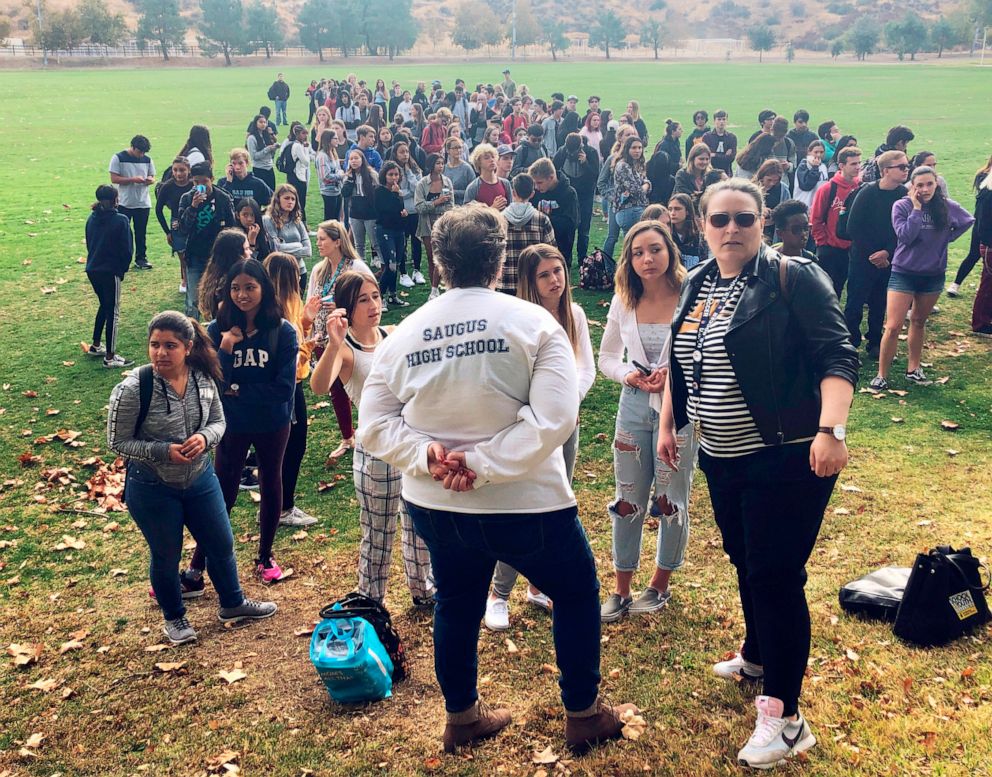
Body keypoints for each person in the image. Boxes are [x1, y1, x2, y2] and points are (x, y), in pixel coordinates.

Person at [358, 204, 638, 756]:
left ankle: (461, 718)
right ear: (500, 258)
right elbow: (556, 418)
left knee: (457, 603)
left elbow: (375, 425)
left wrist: (431, 457)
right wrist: (482, 465)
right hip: (528, 501)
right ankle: (582, 712)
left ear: (438, 263)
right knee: (577, 593)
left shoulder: (405, 332)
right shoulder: (533, 323)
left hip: (437, 500)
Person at [660, 178, 858, 769]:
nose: (731, 229)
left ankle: (786, 719)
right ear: (702, 225)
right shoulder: (697, 283)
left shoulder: (792, 278)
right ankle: (757, 655)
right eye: (719, 220)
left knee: (774, 576)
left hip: (787, 454)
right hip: (721, 457)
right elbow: (679, 358)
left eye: (743, 219)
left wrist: (831, 431)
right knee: (746, 560)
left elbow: (836, 354)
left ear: (762, 221)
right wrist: (671, 424)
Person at [108, 311, 278, 645]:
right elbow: (116, 441)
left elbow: (219, 421)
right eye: (154, 345)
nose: (160, 353)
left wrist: (205, 438)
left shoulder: (203, 378)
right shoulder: (132, 388)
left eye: (170, 345)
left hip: (200, 478)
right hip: (152, 485)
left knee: (221, 543)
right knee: (166, 554)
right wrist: (161, 451)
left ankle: (233, 602)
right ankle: (175, 618)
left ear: (187, 347)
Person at [484, 243, 595, 631]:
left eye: (559, 271)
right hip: (526, 428)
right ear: (530, 281)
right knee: (520, 508)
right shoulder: (519, 319)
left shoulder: (574, 315)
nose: (555, 280)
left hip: (565, 426)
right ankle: (498, 593)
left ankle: (538, 585)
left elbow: (585, 368)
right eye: (545, 274)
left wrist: (566, 405)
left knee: (554, 507)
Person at [309, 271, 433, 606]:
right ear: (348, 307)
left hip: (408, 444)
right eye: (364, 299)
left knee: (418, 524)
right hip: (375, 452)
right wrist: (334, 343)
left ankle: (423, 591)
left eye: (376, 296)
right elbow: (318, 386)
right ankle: (371, 602)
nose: (374, 305)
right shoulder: (347, 351)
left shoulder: (391, 335)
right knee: (378, 534)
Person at [598, 219, 697, 623]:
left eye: (655, 249)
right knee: (627, 499)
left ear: (669, 250)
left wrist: (672, 377)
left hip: (680, 409)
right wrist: (629, 375)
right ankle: (621, 587)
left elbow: (703, 354)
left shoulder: (690, 294)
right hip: (634, 405)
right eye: (637, 253)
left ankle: (659, 584)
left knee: (671, 498)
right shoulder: (624, 299)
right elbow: (606, 357)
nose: (647, 259)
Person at [182, 259, 298, 591]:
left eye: (250, 287)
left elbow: (282, 390)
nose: (242, 295)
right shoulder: (218, 331)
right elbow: (215, 384)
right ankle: (197, 566)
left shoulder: (283, 331)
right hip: (231, 424)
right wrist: (227, 349)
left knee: (270, 482)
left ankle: (265, 556)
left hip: (273, 423)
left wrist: (235, 390)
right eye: (236, 288)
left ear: (264, 289)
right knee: (222, 490)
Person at [871, 167, 974, 391]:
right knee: (893, 325)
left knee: (918, 321)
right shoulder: (902, 206)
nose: (925, 189)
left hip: (933, 275)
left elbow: (967, 220)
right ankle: (881, 375)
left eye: (929, 184)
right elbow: (906, 237)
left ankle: (913, 369)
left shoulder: (946, 206)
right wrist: (917, 210)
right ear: (912, 186)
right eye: (920, 185)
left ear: (936, 184)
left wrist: (946, 238)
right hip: (904, 272)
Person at [306, 220, 373, 461]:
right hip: (323, 335)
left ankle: (371, 429)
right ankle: (348, 437)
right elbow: (309, 300)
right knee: (336, 389)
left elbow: (372, 298)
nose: (318, 243)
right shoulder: (319, 270)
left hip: (350, 335)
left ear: (337, 241)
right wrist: (310, 329)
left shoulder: (356, 267)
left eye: (323, 238)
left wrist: (344, 305)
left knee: (359, 384)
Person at [263, 252, 319, 528]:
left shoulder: (290, 303)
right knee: (291, 446)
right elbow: (293, 357)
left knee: (289, 446)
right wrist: (312, 343)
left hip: (292, 386)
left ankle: (279, 502)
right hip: (288, 388)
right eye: (296, 273)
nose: (300, 276)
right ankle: (284, 508)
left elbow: (299, 333)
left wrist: (307, 321)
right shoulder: (277, 312)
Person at [843, 150, 910, 359]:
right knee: (855, 301)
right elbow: (853, 228)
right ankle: (850, 342)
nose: (906, 171)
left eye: (907, 166)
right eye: (901, 167)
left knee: (880, 302)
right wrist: (874, 253)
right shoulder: (867, 193)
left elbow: (903, 228)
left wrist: (887, 252)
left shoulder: (903, 195)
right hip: (863, 257)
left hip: (888, 258)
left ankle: (874, 341)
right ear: (885, 171)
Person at [177, 162, 236, 320]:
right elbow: (182, 228)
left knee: (219, 296)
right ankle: (192, 333)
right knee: (194, 299)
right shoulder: (187, 198)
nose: (200, 185)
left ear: (211, 179)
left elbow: (232, 227)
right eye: (196, 182)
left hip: (218, 257)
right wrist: (193, 207)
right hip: (195, 256)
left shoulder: (223, 198)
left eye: (204, 181)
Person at [84, 185, 134, 368]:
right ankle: (110, 357)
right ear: (115, 200)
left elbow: (89, 244)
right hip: (110, 271)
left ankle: (96, 345)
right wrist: (122, 270)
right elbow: (127, 250)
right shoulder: (120, 220)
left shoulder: (91, 218)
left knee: (104, 306)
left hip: (93, 269)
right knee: (112, 310)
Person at [811, 146, 862, 298]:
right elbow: (816, 218)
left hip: (853, 249)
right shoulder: (827, 189)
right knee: (826, 289)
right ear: (841, 166)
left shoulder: (861, 188)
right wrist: (822, 242)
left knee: (848, 288)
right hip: (830, 248)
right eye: (853, 164)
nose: (858, 167)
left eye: (859, 163)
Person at [498, 173, 557, 294]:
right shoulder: (542, 219)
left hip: (505, 283)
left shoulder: (499, 219)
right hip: (533, 283)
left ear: (513, 192)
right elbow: (552, 252)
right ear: (532, 194)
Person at [109, 134, 155, 271]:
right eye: (139, 151)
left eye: (144, 152)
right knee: (122, 233)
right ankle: (120, 258)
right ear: (133, 147)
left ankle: (141, 258)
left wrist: (149, 180)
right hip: (125, 202)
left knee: (141, 233)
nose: (141, 155)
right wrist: (132, 179)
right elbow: (114, 178)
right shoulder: (118, 158)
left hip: (143, 202)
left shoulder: (147, 160)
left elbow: (152, 176)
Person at [602, 137, 650, 262]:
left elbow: (645, 183)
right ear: (627, 149)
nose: (637, 151)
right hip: (629, 210)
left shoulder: (633, 164)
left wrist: (646, 185)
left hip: (634, 209)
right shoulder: (623, 165)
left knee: (634, 246)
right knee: (632, 247)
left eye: (640, 148)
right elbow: (636, 189)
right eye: (634, 148)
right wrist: (645, 186)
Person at [554, 133, 600, 261]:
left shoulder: (591, 152)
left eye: (575, 151)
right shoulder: (562, 152)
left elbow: (596, 174)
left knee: (584, 229)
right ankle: (565, 258)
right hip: (567, 195)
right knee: (567, 227)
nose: (572, 154)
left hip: (585, 194)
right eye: (570, 151)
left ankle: (582, 258)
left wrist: (585, 162)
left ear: (581, 146)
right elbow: (554, 170)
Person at [374, 161, 411, 311]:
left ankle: (392, 294)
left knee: (396, 264)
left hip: (398, 230)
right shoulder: (379, 191)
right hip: (385, 230)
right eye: (390, 174)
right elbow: (386, 210)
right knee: (390, 265)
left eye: (396, 174)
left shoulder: (398, 191)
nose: (394, 177)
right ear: (385, 175)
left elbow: (399, 210)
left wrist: (404, 214)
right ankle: (379, 295)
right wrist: (396, 195)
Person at [529, 159, 579, 267]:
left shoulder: (569, 193)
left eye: (539, 183)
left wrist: (544, 220)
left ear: (551, 177)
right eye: (534, 183)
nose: (537, 187)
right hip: (538, 249)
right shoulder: (535, 192)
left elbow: (571, 223)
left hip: (561, 249)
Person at [263, 184, 312, 294]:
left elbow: (308, 250)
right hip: (280, 273)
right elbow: (275, 249)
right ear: (277, 199)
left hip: (300, 271)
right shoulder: (268, 220)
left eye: (293, 199)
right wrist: (299, 245)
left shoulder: (297, 220)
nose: (290, 202)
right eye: (286, 198)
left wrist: (285, 246)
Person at [155, 156, 193, 294]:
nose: (178, 174)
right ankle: (184, 279)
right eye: (175, 170)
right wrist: (167, 231)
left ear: (188, 170)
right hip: (177, 222)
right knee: (182, 254)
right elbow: (158, 210)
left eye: (182, 170)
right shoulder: (167, 187)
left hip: (194, 220)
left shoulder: (194, 184)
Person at [198, 228, 254, 321]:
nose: (250, 252)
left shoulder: (215, 275)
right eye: (247, 249)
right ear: (236, 254)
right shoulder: (230, 281)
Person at [342, 148, 380, 265]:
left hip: (370, 212)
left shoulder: (372, 174)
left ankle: (381, 262)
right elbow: (344, 193)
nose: (353, 161)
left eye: (356, 158)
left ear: (362, 160)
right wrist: (349, 180)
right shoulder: (348, 176)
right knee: (359, 243)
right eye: (351, 159)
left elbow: (377, 192)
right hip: (355, 212)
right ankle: (361, 263)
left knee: (375, 241)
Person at [969, 172, 992, 335]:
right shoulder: (988, 195)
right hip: (990, 245)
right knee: (988, 284)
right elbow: (983, 225)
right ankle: (980, 323)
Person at [753, 160, 791, 242]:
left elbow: (788, 210)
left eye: (775, 181)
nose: (772, 183)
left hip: (774, 230)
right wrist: (761, 210)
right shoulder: (752, 188)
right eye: (769, 180)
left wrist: (775, 213)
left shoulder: (783, 189)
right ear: (762, 176)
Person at [465, 143, 511, 210]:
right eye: (486, 158)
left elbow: (510, 209)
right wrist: (492, 209)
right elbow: (468, 215)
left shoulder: (505, 183)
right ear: (478, 162)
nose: (491, 160)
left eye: (493, 157)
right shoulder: (473, 187)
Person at [667, 193, 706, 270]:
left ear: (687, 211)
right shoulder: (667, 235)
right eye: (670, 209)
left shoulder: (699, 237)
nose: (672, 213)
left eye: (677, 209)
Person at [315, 129, 345, 223]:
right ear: (328, 140)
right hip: (328, 191)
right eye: (335, 138)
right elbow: (325, 176)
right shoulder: (322, 156)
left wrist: (340, 172)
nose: (338, 140)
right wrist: (341, 175)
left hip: (337, 190)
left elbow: (338, 168)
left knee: (336, 219)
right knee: (329, 219)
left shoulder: (333, 152)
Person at [286, 124, 313, 226]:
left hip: (297, 176)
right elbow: (306, 162)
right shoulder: (298, 146)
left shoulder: (297, 145)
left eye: (306, 133)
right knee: (300, 202)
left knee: (299, 202)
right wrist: (306, 149)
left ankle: (300, 224)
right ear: (297, 134)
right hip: (298, 177)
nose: (305, 136)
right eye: (303, 133)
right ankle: (301, 225)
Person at [232, 197, 272, 263]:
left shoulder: (262, 233)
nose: (249, 219)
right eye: (245, 215)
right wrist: (251, 242)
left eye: (252, 215)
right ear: (237, 215)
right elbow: (245, 263)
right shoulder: (234, 236)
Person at [247, 114, 279, 191]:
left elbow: (270, 155)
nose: (263, 124)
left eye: (265, 122)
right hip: (259, 169)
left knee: (271, 193)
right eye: (261, 122)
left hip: (269, 168)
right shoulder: (251, 138)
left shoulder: (266, 136)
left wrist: (274, 148)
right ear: (256, 123)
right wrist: (267, 149)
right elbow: (254, 156)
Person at [793, 140, 828, 208]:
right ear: (809, 151)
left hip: (818, 205)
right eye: (816, 152)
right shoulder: (804, 165)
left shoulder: (823, 166)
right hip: (804, 205)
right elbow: (806, 185)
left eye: (821, 152)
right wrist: (815, 168)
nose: (819, 155)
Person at [701, 110, 737, 176]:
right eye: (719, 119)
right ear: (714, 121)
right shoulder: (707, 137)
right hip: (710, 173)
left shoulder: (732, 137)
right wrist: (724, 156)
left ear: (727, 121)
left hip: (727, 173)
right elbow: (706, 157)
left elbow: (731, 158)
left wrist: (714, 155)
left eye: (724, 119)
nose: (721, 122)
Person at [442, 137, 475, 205]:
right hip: (447, 206)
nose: (458, 150)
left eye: (460, 147)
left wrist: (453, 192)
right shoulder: (444, 168)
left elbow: (473, 191)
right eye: (455, 148)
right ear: (448, 150)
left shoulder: (467, 168)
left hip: (463, 206)